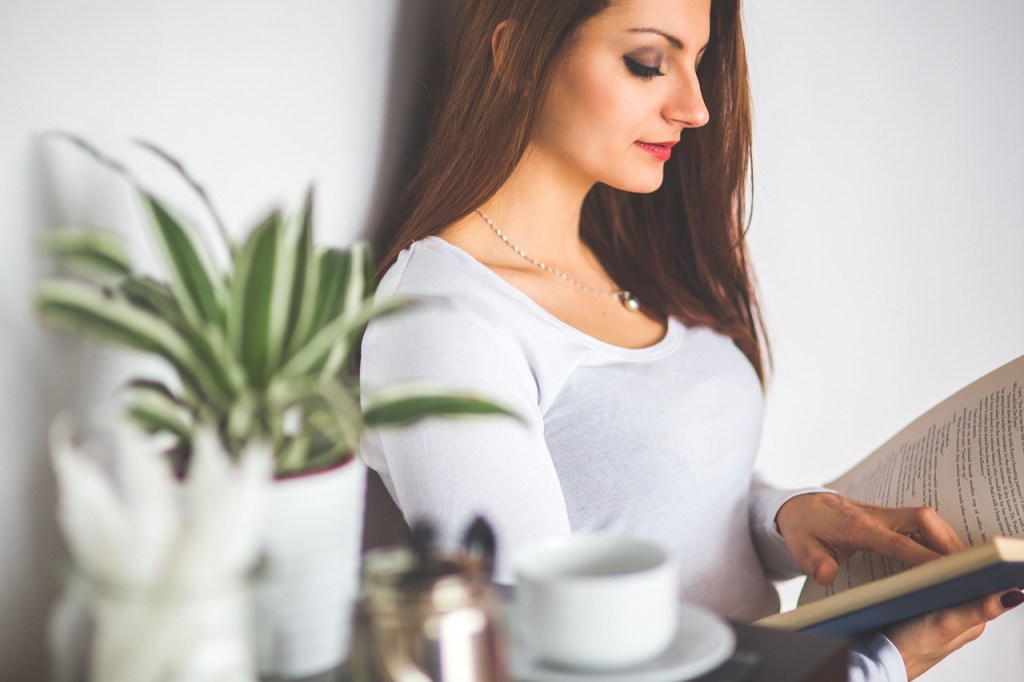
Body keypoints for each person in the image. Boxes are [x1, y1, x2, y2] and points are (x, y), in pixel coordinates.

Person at [359, 1, 1022, 679]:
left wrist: (783, 517)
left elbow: (647, 496)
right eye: (649, 63)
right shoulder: (443, 318)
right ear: (516, 56)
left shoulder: (621, 259)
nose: (696, 107)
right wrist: (877, 666)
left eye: (698, 64)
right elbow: (541, 654)